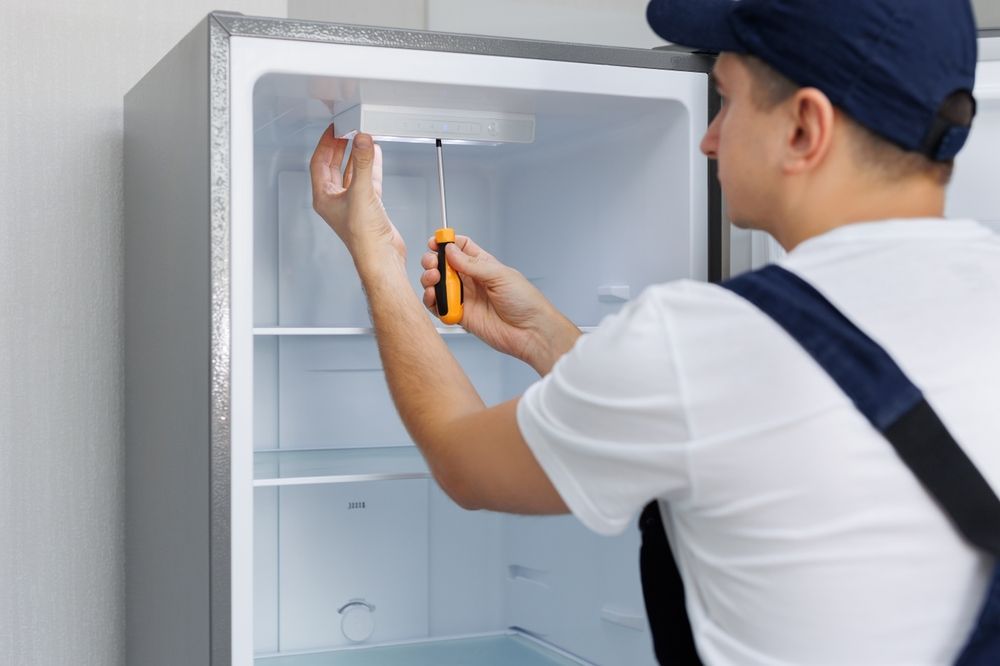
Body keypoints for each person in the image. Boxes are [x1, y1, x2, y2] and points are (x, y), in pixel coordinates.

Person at [308, 0, 999, 663]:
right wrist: (542, 336)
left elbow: (462, 460)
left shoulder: (706, 344)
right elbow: (715, 420)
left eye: (725, 99)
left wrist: (375, 256)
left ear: (803, 129)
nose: (707, 135)